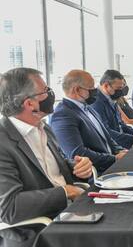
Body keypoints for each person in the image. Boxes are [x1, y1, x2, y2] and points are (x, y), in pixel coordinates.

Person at [0, 68, 92, 247]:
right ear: (29, 104)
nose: (51, 94)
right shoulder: (2, 142)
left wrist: (79, 167)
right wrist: (66, 191)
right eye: (46, 91)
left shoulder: (43, 127)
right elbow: (10, 208)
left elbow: (55, 171)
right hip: (38, 230)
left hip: (69, 211)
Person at [51, 70, 128, 174]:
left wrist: (120, 150)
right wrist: (113, 158)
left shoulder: (88, 107)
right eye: (91, 88)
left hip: (113, 164)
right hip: (99, 173)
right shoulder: (63, 115)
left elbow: (106, 137)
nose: (95, 91)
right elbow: (78, 153)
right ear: (77, 90)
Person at [91, 70, 133, 149]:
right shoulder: (96, 102)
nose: (120, 92)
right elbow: (106, 131)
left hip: (121, 141)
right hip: (113, 147)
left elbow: (120, 124)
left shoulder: (111, 98)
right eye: (118, 88)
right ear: (106, 86)